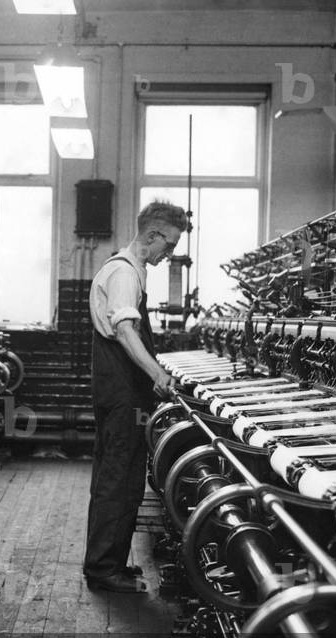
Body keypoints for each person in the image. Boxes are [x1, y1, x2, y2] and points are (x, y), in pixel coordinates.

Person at [84, 200, 187, 594]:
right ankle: (102, 569)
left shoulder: (131, 270)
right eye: (169, 244)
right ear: (152, 236)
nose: (170, 253)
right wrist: (157, 374)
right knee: (117, 479)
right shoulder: (124, 272)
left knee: (123, 479)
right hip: (122, 393)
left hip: (121, 392)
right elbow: (126, 331)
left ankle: (110, 561)